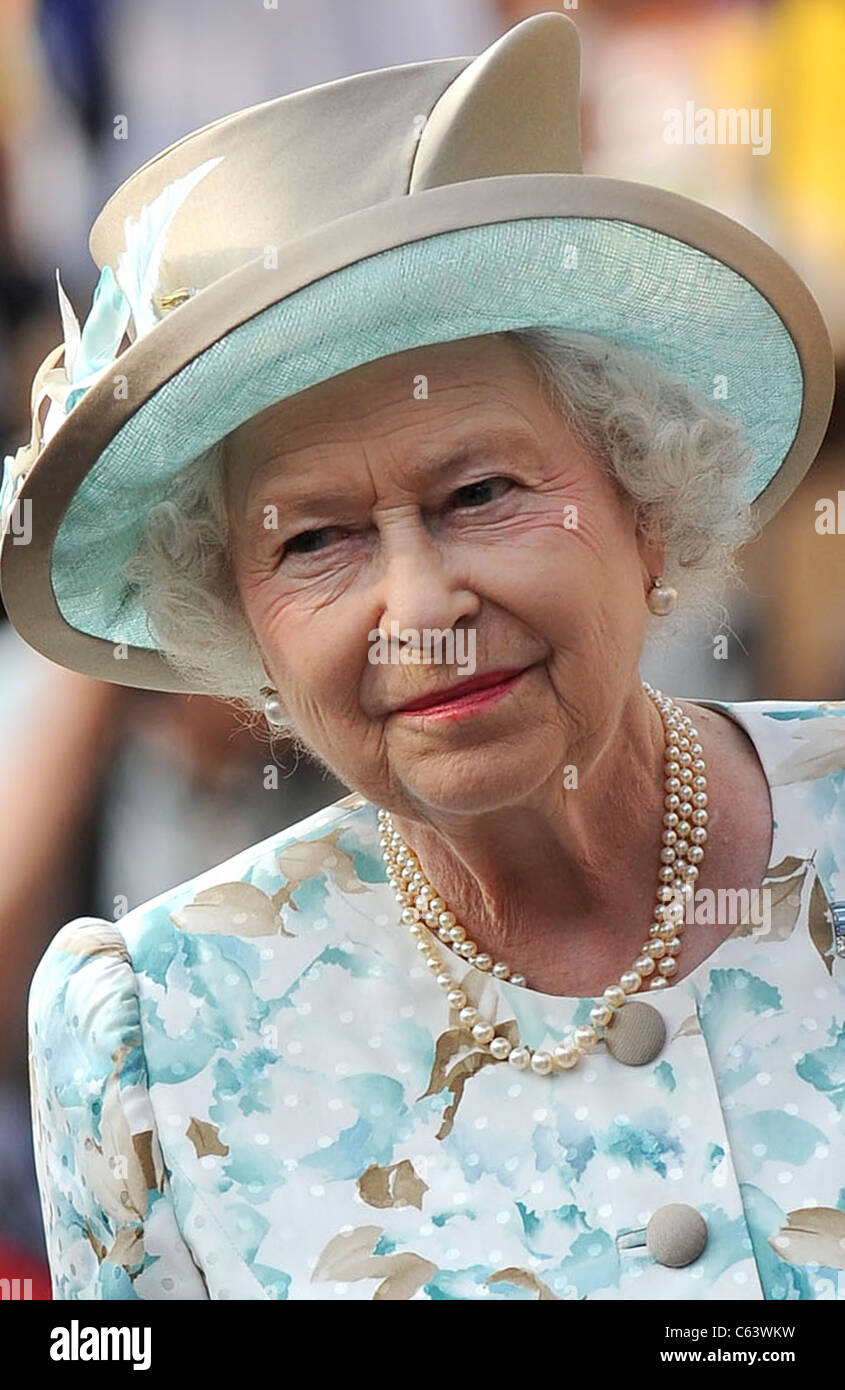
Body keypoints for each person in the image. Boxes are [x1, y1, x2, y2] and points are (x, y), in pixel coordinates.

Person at [1, 13, 842, 1302]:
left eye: (484, 491)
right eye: (317, 540)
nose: (419, 606)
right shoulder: (157, 1041)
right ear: (241, 629)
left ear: (645, 505)